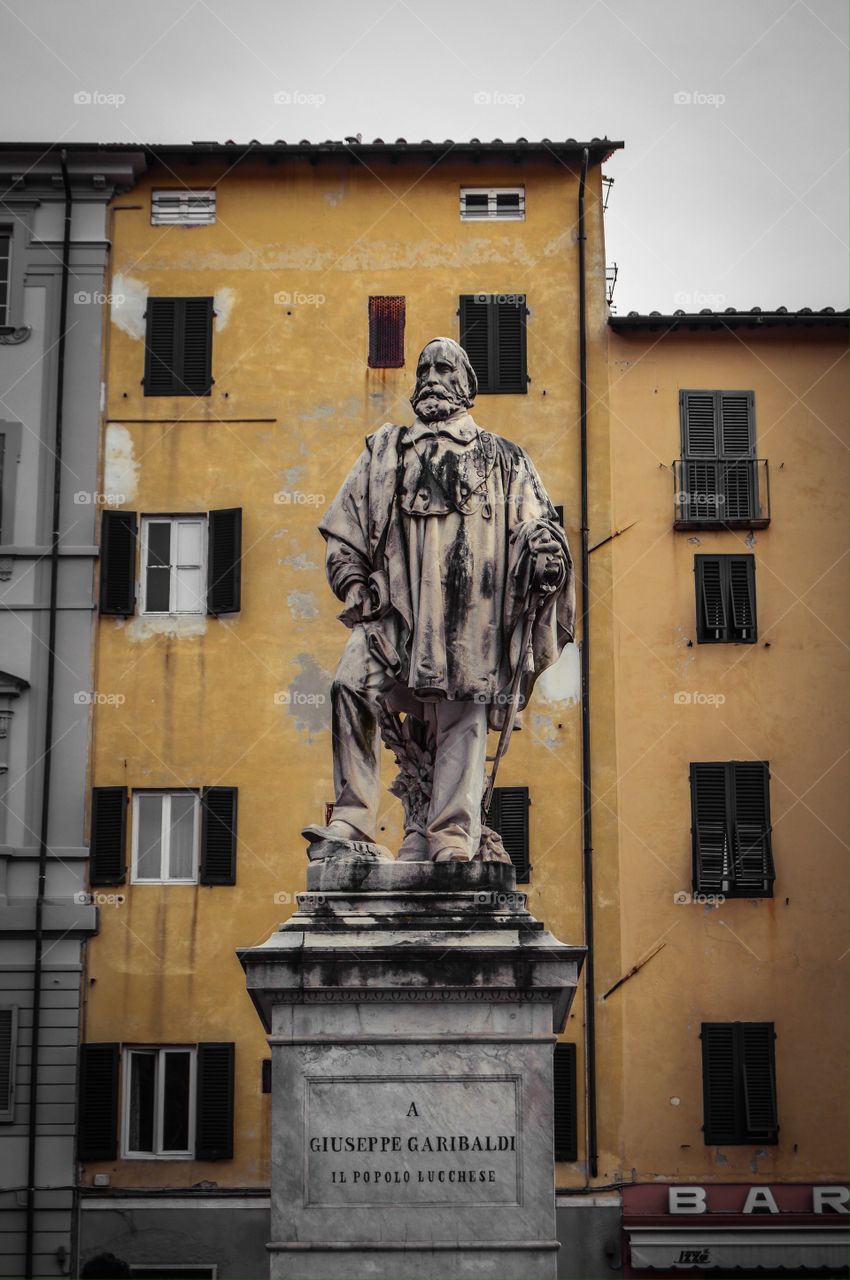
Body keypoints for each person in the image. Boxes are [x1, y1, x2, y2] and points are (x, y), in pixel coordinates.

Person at [303, 337, 574, 862]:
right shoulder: (384, 452)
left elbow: (537, 527)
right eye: (424, 367)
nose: (430, 374)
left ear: (466, 385)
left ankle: (451, 837)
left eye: (443, 366)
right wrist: (353, 583)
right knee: (349, 685)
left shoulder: (504, 457)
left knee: (461, 716)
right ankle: (353, 820)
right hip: (393, 613)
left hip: (471, 614)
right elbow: (345, 533)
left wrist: (545, 556)